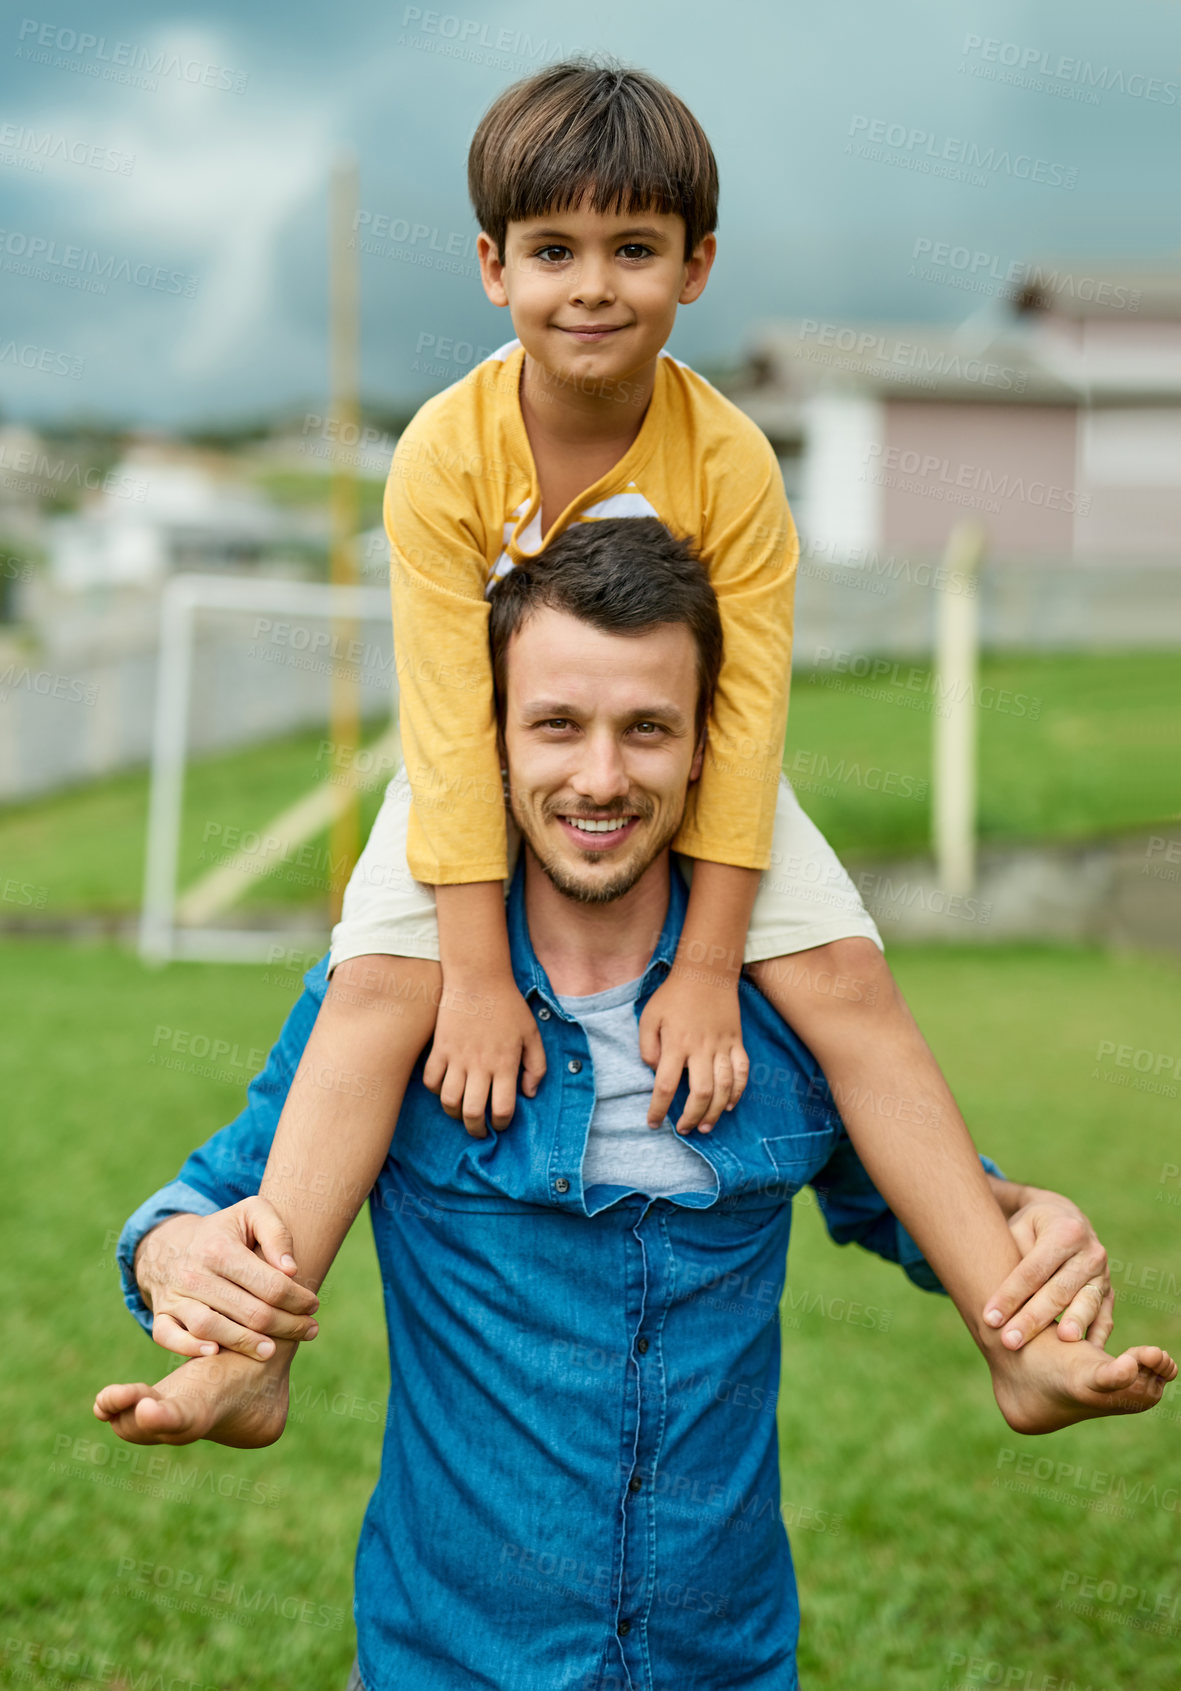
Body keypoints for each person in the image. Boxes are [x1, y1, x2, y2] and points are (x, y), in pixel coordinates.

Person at [156, 56, 1130, 1372]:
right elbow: (449, 736)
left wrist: (710, 966)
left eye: (635, 246)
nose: (595, 285)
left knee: (846, 978)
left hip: (691, 765)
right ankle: (247, 1356)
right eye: (554, 249)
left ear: (698, 264)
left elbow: (743, 725)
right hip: (486, 770)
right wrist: (480, 975)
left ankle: (1015, 1333)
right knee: (379, 984)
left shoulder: (729, 461)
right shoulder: (445, 454)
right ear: (495, 269)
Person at [97, 527, 1175, 1691]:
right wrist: (173, 1256)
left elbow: (918, 1200)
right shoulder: (395, 997)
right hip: (446, 1662)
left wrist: (1026, 1231)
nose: (601, 777)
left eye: (645, 728)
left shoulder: (786, 1002)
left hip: (722, 1661)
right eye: (556, 724)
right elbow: (214, 1199)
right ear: (491, 741)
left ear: (711, 746)